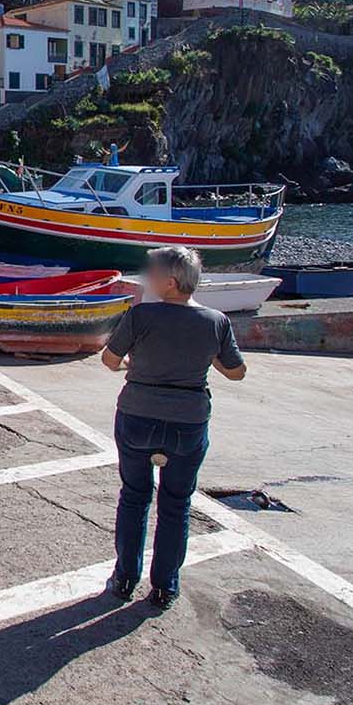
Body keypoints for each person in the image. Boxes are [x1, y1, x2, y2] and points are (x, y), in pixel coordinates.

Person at [101, 246, 246, 611]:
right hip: (189, 418)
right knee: (176, 504)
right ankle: (165, 586)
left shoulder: (141, 315)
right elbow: (236, 371)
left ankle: (124, 579)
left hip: (138, 413)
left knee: (135, 496)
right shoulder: (216, 321)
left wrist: (132, 366)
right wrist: (205, 354)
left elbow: (109, 359)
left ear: (169, 282)